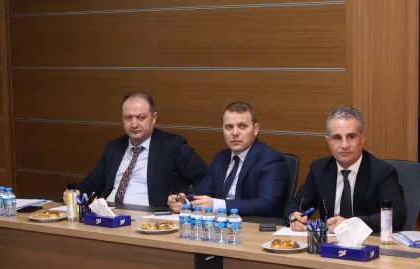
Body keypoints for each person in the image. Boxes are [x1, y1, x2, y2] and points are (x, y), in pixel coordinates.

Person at [285, 105, 406, 233]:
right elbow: (297, 204)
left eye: (351, 137)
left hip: (367, 242)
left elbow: (395, 217)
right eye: (337, 138)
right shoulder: (319, 169)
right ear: (328, 142)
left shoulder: (382, 172)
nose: (344, 145)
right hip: (330, 242)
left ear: (363, 138)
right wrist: (294, 216)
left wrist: (351, 224)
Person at [76, 92, 206, 207]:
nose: (134, 124)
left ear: (154, 118)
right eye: (128, 118)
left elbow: (204, 178)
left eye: (141, 117)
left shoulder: (173, 146)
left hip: (150, 218)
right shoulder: (114, 147)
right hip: (110, 215)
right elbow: (93, 182)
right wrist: (76, 192)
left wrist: (185, 201)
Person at [168, 101, 290, 218]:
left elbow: (266, 204)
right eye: (229, 127)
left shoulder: (270, 159)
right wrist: (184, 202)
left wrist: (217, 205)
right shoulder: (221, 157)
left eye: (242, 126)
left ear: (255, 129)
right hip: (217, 225)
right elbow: (201, 193)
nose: (235, 133)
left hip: (250, 226)